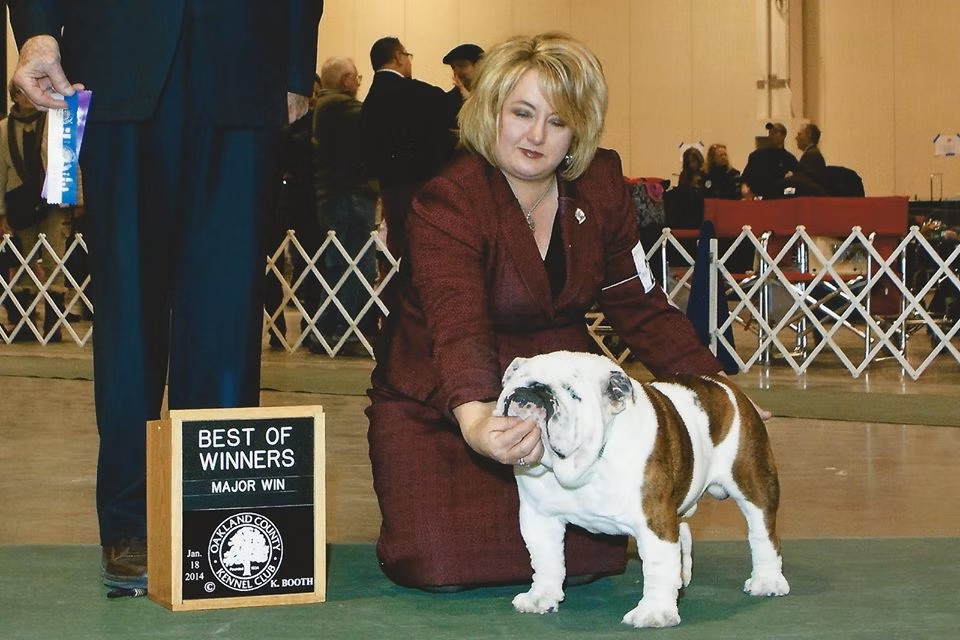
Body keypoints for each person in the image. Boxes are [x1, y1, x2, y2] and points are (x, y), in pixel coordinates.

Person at [366, 32, 729, 591]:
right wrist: (479, 421)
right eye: (522, 113)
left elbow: (640, 302)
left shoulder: (601, 184)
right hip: (443, 402)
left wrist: (718, 394)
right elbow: (457, 326)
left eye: (558, 122)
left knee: (593, 562)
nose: (537, 135)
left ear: (578, 131)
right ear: (492, 112)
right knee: (436, 567)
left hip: (565, 412)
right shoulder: (449, 197)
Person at [8, 0, 323, 591]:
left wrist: (295, 65)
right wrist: (36, 33)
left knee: (228, 319)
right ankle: (129, 523)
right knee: (128, 317)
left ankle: (222, 524)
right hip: (115, 65)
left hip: (244, 68)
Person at [305, 57, 378, 356]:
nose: (359, 83)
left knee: (337, 268)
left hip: (335, 198)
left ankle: (322, 332)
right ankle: (343, 334)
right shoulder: (340, 108)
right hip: (349, 198)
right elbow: (374, 120)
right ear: (347, 80)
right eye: (357, 77)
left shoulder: (324, 107)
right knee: (354, 267)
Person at [361, 36, 454, 261]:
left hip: (389, 189)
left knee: (398, 247)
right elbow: (446, 109)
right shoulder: (417, 93)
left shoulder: (369, 101)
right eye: (407, 55)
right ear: (398, 58)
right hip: (421, 186)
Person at [0, 80, 73, 342]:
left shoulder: (55, 121)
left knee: (56, 259)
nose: (26, 98)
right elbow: (0, 171)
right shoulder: (4, 128)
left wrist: (75, 201)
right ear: (14, 97)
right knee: (24, 262)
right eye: (20, 93)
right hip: (20, 202)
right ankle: (24, 322)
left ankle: (54, 324)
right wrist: (1, 213)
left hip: (53, 200)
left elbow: (70, 159)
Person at [740, 122, 798, 199]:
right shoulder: (757, 156)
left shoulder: (789, 159)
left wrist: (786, 193)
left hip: (779, 200)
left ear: (783, 136)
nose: (770, 136)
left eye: (774, 133)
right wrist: (744, 188)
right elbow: (746, 177)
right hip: (758, 199)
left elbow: (795, 185)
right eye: (770, 132)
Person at [441, 43, 484, 130]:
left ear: (480, 65)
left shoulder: (494, 97)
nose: (457, 72)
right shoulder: (448, 101)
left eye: (462, 66)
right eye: (453, 67)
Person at [784, 123, 828, 196]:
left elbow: (802, 182)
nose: (796, 138)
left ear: (809, 135)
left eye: (799, 134)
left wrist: (789, 179)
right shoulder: (812, 153)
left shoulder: (811, 156)